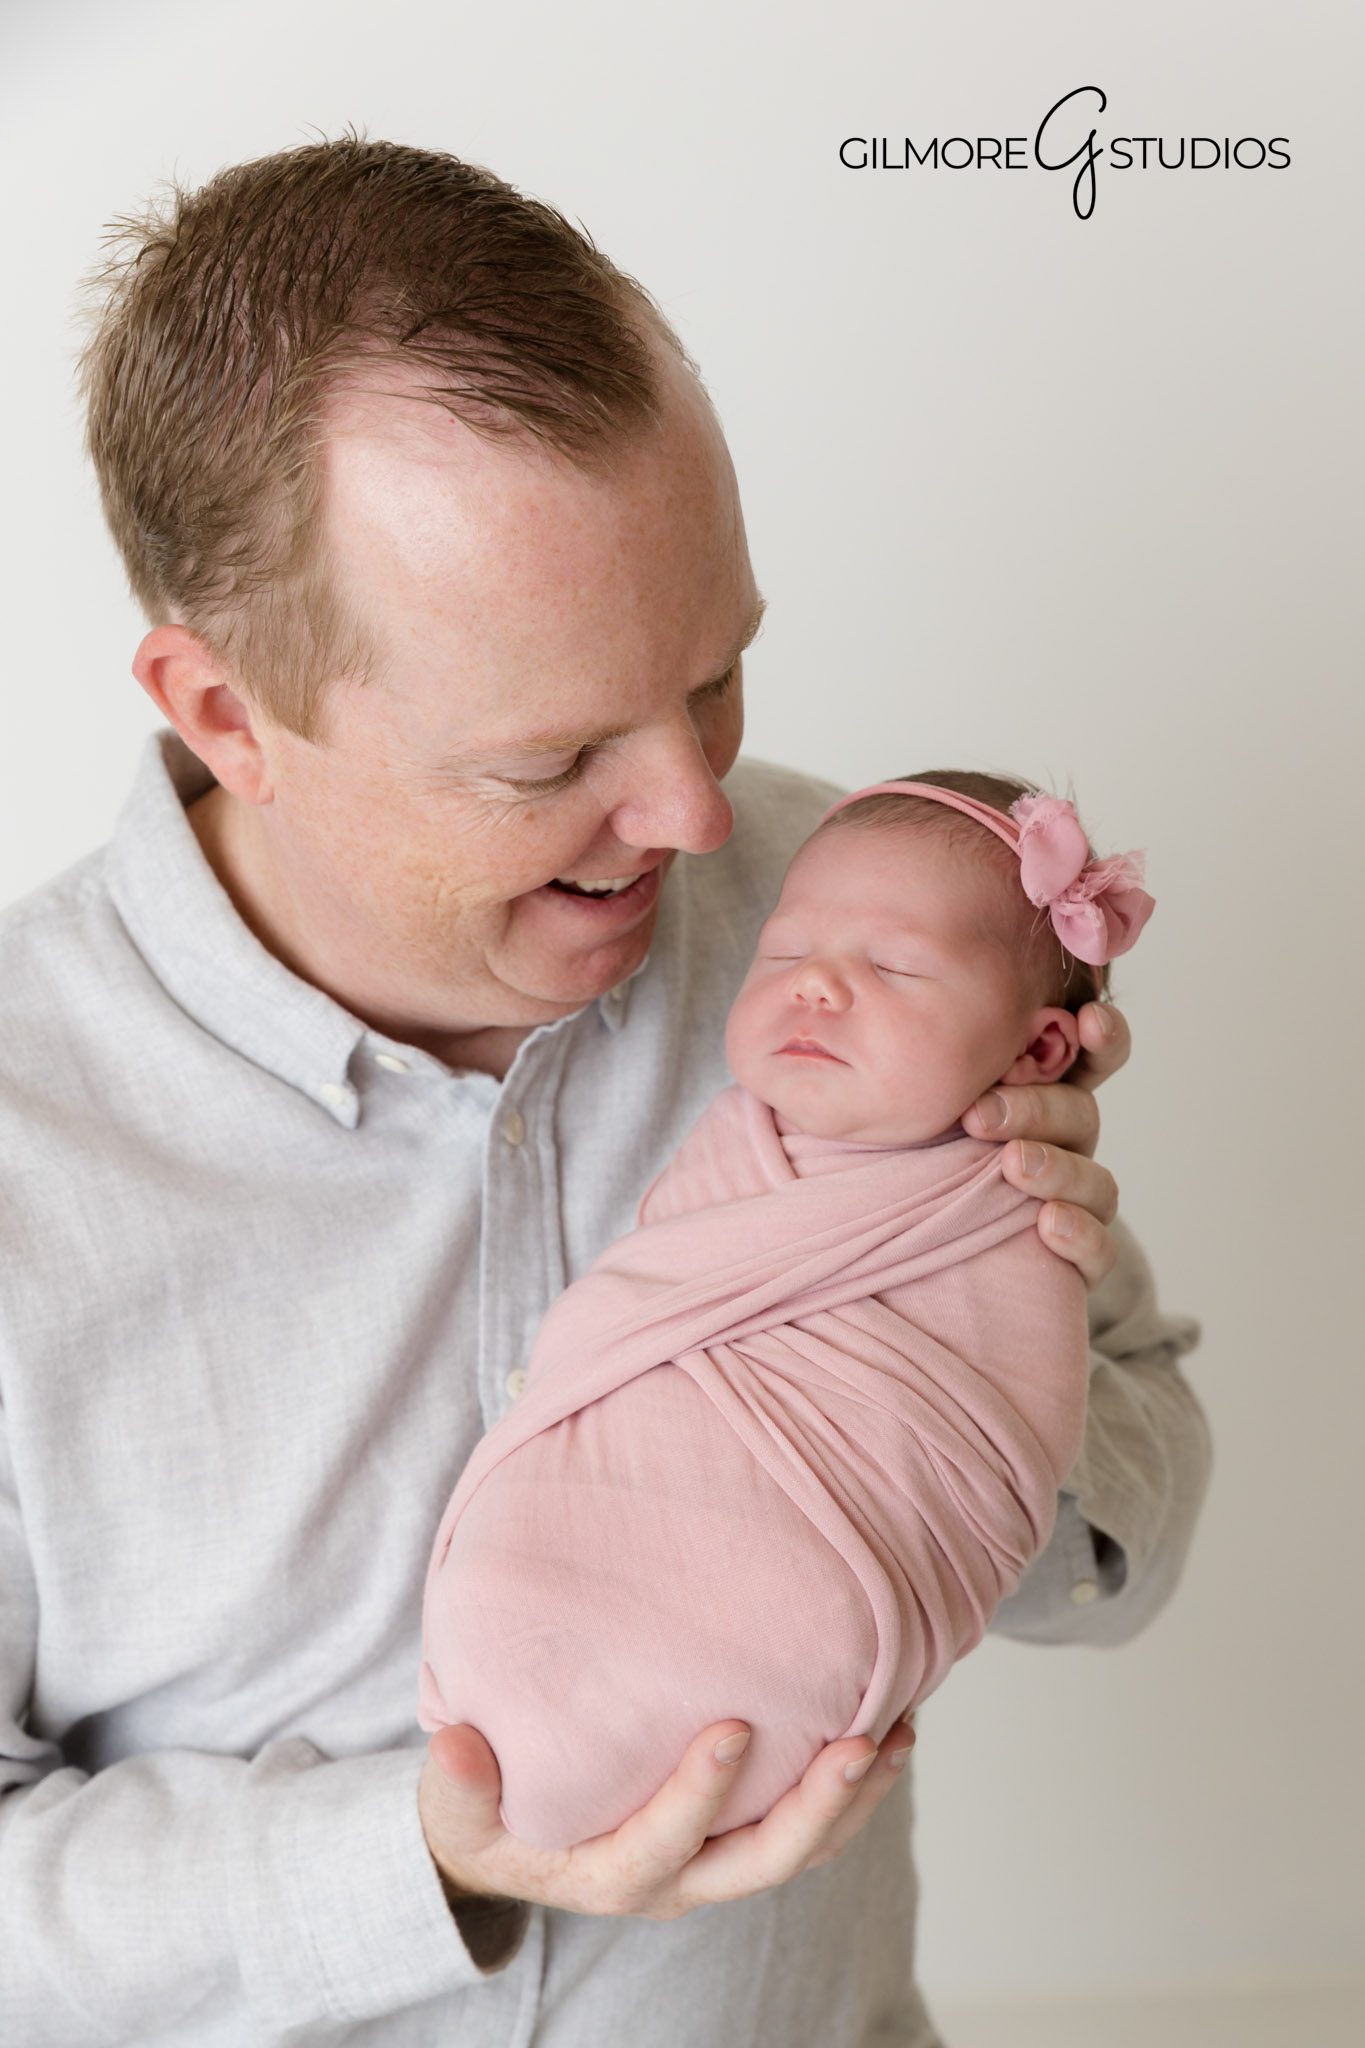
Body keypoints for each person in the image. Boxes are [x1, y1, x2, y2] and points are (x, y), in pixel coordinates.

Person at [0, 135, 1209, 2046]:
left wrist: (975, 1311)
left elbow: (1125, 1553)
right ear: (229, 713)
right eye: (551, 755)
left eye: (715, 675)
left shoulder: (873, 924)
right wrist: (419, 1858)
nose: (697, 813)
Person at [419, 771, 1151, 1851]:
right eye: (782, 953)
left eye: (894, 968)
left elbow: (992, 1455)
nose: (813, 986)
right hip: (550, 1567)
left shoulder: (1018, 1200)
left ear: (1039, 1051)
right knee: (510, 1575)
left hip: (799, 1611)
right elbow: (630, 1337)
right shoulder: (735, 1140)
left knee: (799, 1615)